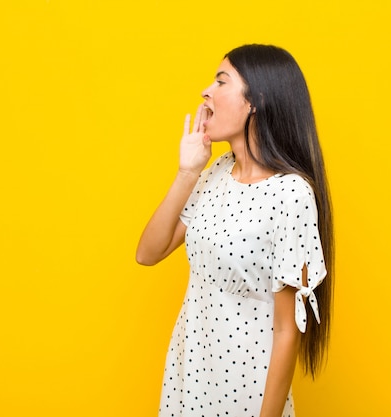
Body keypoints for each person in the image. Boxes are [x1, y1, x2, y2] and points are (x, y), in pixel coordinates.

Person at [136, 44, 334, 417]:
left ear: (255, 100)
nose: (205, 92)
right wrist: (187, 172)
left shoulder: (290, 194)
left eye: (221, 81)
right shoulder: (215, 174)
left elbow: (287, 330)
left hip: (244, 393)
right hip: (189, 380)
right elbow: (148, 253)